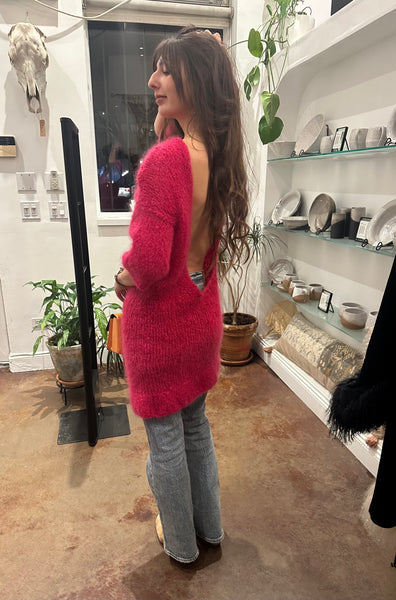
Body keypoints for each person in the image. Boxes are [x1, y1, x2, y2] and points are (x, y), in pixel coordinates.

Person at [114, 26, 249, 564]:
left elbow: (148, 262)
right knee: (195, 427)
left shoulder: (165, 161)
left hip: (162, 326)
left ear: (196, 79)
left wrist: (122, 277)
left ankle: (180, 544)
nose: (152, 80)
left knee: (166, 441)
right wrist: (165, 127)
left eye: (166, 71)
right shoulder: (217, 154)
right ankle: (209, 529)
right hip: (200, 316)